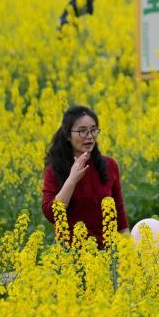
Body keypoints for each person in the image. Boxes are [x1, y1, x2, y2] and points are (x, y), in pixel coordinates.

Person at [42, 105, 129, 246]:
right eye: (82, 131)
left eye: (93, 130)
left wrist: (128, 249)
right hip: (71, 255)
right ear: (68, 135)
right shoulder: (55, 169)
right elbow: (51, 215)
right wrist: (71, 180)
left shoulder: (110, 165)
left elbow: (119, 211)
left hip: (108, 252)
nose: (89, 136)